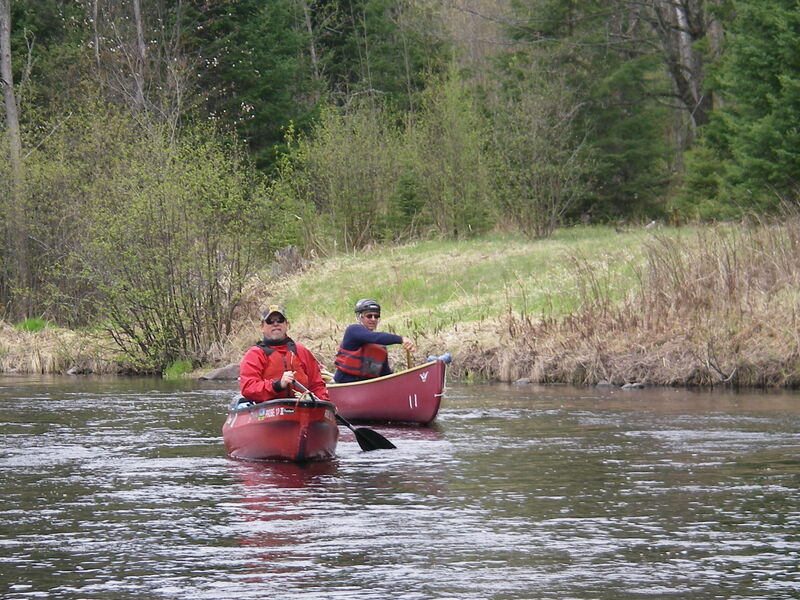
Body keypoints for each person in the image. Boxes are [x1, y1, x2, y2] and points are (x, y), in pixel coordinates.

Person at [239, 304, 329, 402]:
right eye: (270, 321)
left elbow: (317, 385)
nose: (275, 324)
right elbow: (248, 388)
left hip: (302, 408)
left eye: (280, 320)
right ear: (262, 327)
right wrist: (277, 384)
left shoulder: (301, 351)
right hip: (268, 409)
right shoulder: (254, 355)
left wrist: (322, 403)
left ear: (286, 325)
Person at [333, 298, 415, 383]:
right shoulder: (353, 330)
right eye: (369, 316)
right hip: (345, 385)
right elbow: (374, 337)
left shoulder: (380, 347)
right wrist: (401, 339)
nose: (373, 319)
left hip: (368, 389)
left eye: (376, 316)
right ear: (359, 317)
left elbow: (385, 375)